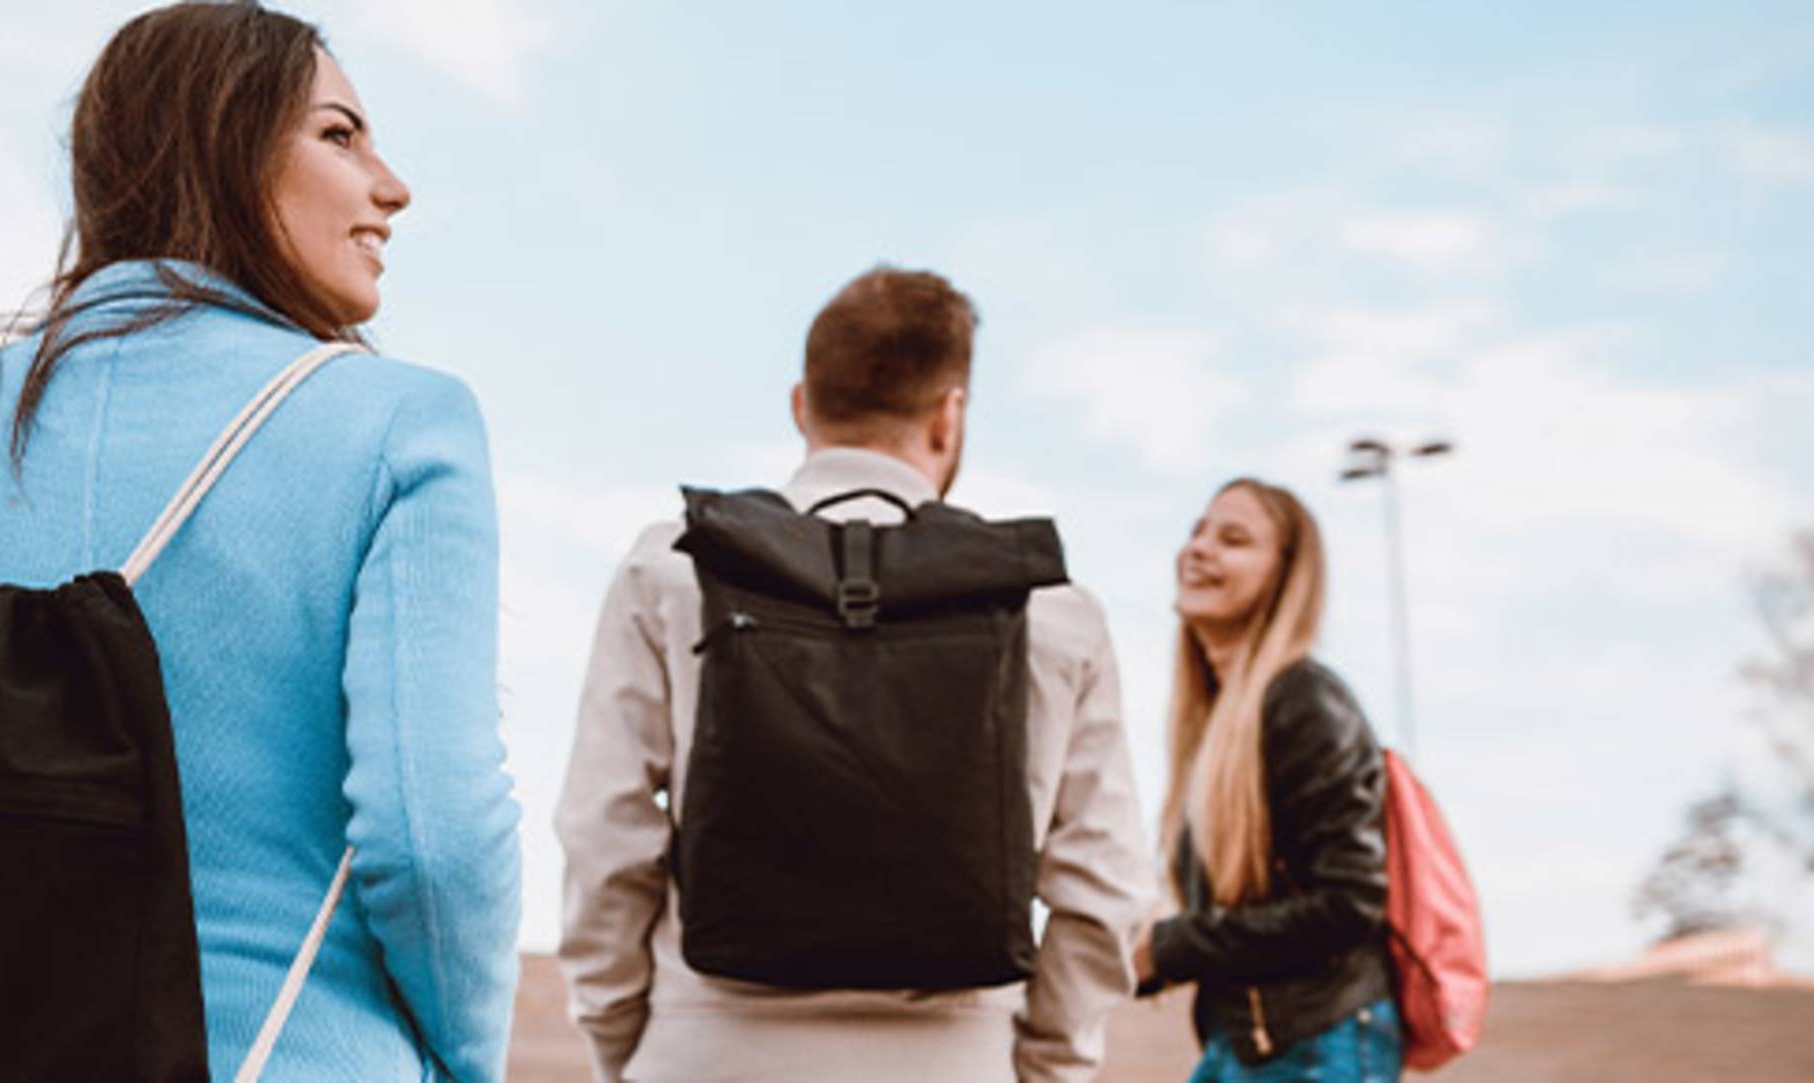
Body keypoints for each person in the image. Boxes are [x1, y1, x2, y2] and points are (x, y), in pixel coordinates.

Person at [0, 2, 521, 1078]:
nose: (393, 184)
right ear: (225, 141)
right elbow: (434, 843)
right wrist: (463, 1061)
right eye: (340, 135)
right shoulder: (400, 424)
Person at [556, 265, 1152, 1083]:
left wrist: (627, 1035)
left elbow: (606, 834)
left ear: (802, 402)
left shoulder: (673, 569)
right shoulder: (1051, 608)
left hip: (706, 1050)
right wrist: (1047, 1064)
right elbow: (1102, 886)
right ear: (950, 416)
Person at [1136, 479, 1401, 1082]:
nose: (1199, 549)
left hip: (1317, 1041)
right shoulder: (1216, 724)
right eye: (1197, 531)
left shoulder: (1304, 700)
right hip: (1247, 1044)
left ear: (1283, 578)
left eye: (1232, 539)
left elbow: (1349, 903)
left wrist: (1170, 945)